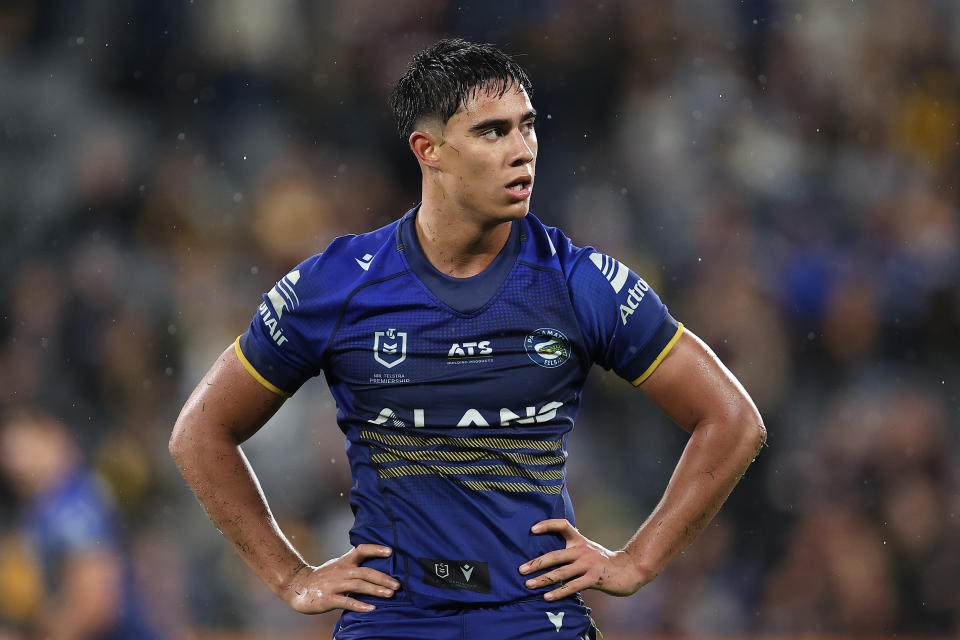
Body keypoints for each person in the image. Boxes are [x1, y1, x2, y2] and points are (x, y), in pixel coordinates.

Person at [169, 38, 766, 639]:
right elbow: (200, 432)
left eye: (527, 127)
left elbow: (732, 420)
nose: (522, 152)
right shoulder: (338, 285)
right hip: (393, 622)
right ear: (428, 150)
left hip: (536, 620)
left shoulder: (578, 283)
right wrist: (290, 577)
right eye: (492, 132)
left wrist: (636, 561)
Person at [0, 409, 162, 640]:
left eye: (26, 449)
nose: (17, 463)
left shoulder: (73, 506)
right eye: (9, 454)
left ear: (57, 439)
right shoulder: (45, 508)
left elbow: (95, 606)